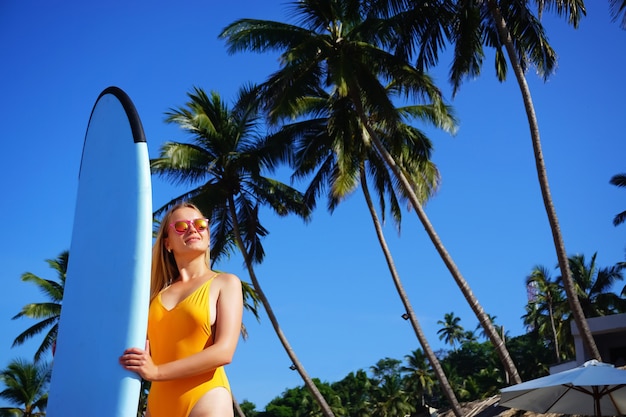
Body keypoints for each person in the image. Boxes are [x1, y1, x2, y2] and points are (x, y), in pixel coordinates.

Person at [120, 202, 243, 417]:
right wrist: (72, 352)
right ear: (167, 243)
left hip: (206, 398)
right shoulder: (152, 297)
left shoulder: (225, 283)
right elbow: (129, 346)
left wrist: (156, 371)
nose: (192, 229)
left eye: (199, 224)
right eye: (181, 226)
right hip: (158, 405)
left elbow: (224, 351)